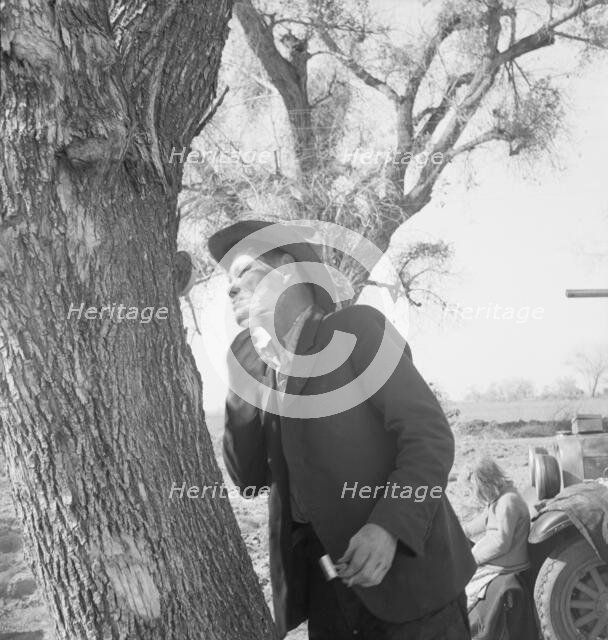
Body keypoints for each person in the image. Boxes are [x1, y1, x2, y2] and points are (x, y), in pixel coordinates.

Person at [210, 219, 476, 640]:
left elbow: (429, 437)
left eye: (242, 272)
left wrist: (389, 526)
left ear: (286, 269)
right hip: (327, 594)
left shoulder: (356, 330)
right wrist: (243, 382)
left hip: (411, 582)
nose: (229, 289)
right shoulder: (257, 368)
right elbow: (247, 480)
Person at [461, 457, 531, 611]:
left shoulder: (508, 503)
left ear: (485, 484)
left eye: (474, 490)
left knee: (466, 588)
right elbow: (486, 517)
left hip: (506, 563)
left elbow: (501, 543)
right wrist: (464, 531)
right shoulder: (501, 496)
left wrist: (474, 559)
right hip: (502, 558)